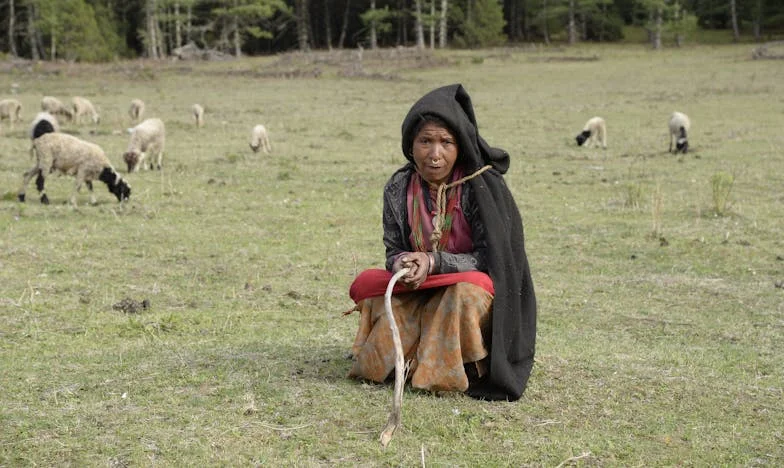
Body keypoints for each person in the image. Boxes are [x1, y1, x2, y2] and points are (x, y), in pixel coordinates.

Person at [346, 84, 536, 401]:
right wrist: (403, 263)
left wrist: (434, 262)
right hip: (418, 285)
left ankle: (458, 368)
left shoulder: (481, 186)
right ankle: (403, 362)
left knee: (463, 294)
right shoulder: (398, 186)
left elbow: (493, 259)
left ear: (460, 146)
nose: (435, 154)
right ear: (411, 145)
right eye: (425, 141)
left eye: (446, 142)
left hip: (469, 286)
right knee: (370, 286)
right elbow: (393, 249)